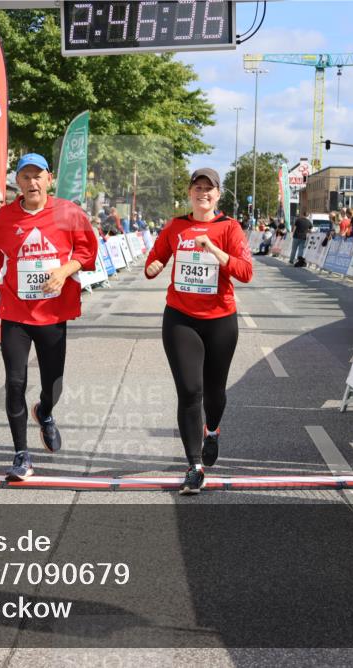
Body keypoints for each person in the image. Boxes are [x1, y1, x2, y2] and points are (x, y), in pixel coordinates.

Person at [0, 153, 98, 481]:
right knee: (15, 382)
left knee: (53, 384)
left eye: (38, 176)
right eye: (25, 176)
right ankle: (21, 455)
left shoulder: (69, 213)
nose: (32, 182)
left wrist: (64, 270)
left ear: (49, 179)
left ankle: (45, 411)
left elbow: (87, 252)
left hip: (53, 313)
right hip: (15, 312)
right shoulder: (5, 217)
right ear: (18, 181)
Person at [144, 167, 254, 495]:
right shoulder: (176, 226)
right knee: (190, 391)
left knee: (214, 391)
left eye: (209, 188)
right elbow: (154, 259)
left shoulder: (229, 227)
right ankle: (194, 466)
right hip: (181, 318)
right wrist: (153, 266)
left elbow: (246, 272)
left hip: (220, 319)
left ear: (218, 195)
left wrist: (214, 250)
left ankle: (213, 430)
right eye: (198, 187)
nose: (203, 193)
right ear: (190, 192)